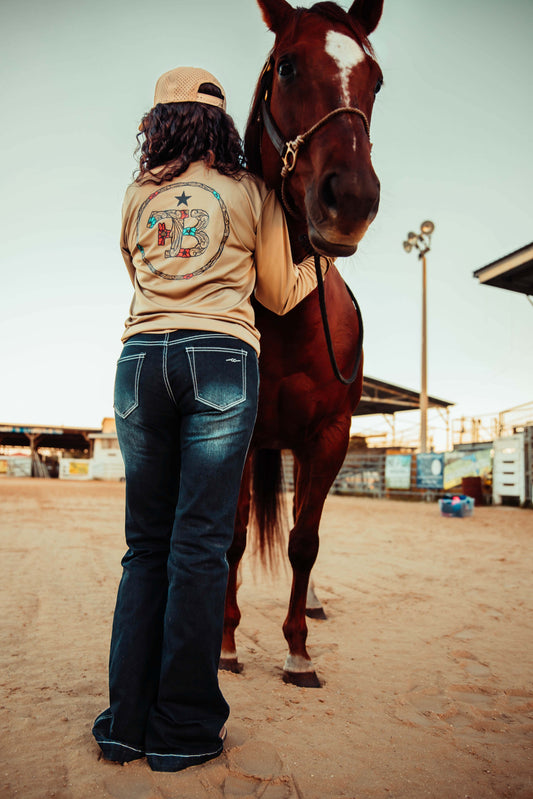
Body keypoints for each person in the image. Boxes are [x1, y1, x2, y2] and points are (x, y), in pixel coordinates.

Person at [92, 66, 330, 773]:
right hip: (219, 359)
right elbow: (281, 292)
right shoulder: (249, 189)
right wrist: (315, 257)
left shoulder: (138, 192)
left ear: (157, 122)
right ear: (222, 123)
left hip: (140, 361)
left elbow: (135, 272)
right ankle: (183, 729)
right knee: (198, 547)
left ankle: (125, 722)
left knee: (145, 549)